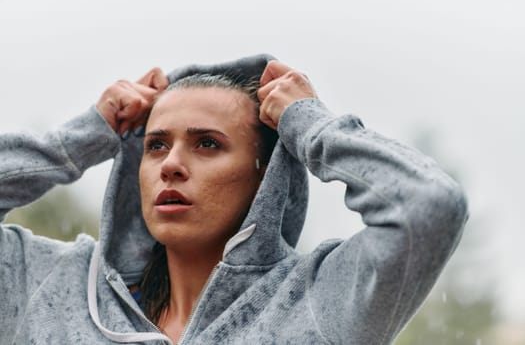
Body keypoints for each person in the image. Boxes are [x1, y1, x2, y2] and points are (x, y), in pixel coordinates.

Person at [0, 54, 468, 344]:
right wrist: (75, 142)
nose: (171, 164)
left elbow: (426, 206)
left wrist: (311, 126)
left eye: (208, 144)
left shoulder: (319, 300)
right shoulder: (49, 285)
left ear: (263, 174)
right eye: (156, 145)